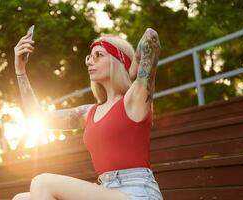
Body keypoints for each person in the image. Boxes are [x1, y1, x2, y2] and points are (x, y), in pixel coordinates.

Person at [12, 27, 162, 200]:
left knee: (42, 182)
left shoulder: (134, 100)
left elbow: (151, 36)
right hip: (106, 189)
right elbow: (36, 116)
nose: (90, 61)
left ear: (118, 59)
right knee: (21, 199)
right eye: (89, 57)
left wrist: (132, 69)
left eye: (99, 55)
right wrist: (20, 70)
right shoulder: (89, 112)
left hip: (137, 192)